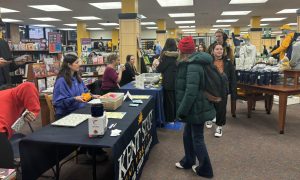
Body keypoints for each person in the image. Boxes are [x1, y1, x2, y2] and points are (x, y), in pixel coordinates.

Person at [174, 36, 215, 178]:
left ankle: (206, 169)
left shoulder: (193, 65)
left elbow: (191, 92)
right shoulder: (189, 62)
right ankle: (189, 160)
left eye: (179, 49)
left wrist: (181, 111)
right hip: (194, 108)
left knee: (197, 138)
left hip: (196, 108)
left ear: (183, 51)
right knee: (187, 135)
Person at [53, 54, 99, 119]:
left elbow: (85, 92)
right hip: (67, 114)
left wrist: (92, 95)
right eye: (76, 63)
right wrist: (74, 99)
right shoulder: (61, 81)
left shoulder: (77, 78)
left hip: (80, 110)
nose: (79, 64)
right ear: (69, 65)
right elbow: (58, 103)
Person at [206, 43, 237, 138]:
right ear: (212, 50)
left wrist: (233, 92)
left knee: (221, 109)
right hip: (210, 88)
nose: (219, 51)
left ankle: (219, 127)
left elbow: (233, 78)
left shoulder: (228, 62)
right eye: (217, 49)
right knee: (209, 106)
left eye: (221, 49)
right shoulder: (208, 62)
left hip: (222, 89)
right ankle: (209, 118)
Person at [0, 22, 28, 90]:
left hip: (6, 86)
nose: (0, 29)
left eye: (0, 27)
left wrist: (17, 63)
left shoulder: (3, 43)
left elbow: (9, 66)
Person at [156, 38, 178, 123]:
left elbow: (160, 68)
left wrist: (157, 65)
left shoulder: (166, 55)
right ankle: (175, 117)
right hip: (176, 80)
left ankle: (170, 119)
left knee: (169, 102)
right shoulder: (177, 54)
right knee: (174, 100)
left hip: (168, 81)